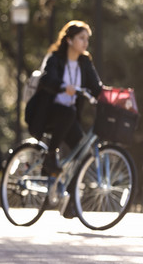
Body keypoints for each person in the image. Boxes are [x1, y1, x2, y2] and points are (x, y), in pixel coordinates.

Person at [29, 20, 103, 176]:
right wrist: (63, 87)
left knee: (82, 154)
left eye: (87, 39)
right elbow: (47, 80)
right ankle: (50, 155)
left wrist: (110, 96)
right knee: (67, 113)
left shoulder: (84, 62)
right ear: (69, 40)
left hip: (70, 117)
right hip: (48, 113)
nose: (85, 42)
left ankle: (69, 196)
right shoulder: (55, 59)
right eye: (81, 38)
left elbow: (96, 88)